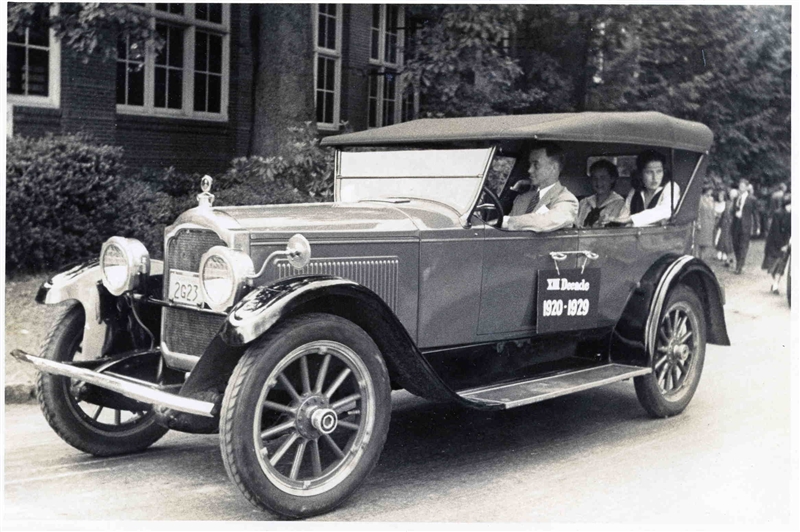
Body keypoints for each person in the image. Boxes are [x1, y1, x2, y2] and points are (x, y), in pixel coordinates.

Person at [502, 142, 578, 232]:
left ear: (553, 168)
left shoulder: (567, 200)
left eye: (536, 165)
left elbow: (545, 222)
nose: (529, 170)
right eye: (529, 164)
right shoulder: (522, 199)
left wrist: (506, 221)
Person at [612, 150, 681, 227]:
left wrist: (630, 220)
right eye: (649, 172)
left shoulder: (671, 187)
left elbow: (666, 210)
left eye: (659, 172)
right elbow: (622, 217)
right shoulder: (635, 191)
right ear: (640, 174)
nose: (655, 178)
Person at [576, 160, 626, 228]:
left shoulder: (620, 204)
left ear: (612, 179)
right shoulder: (584, 203)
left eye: (603, 178)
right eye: (594, 178)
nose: (598, 182)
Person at [762, 194, 791, 293]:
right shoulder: (778, 213)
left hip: (785, 243)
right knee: (772, 266)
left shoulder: (793, 214)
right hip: (774, 243)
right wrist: (781, 245)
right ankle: (775, 282)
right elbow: (775, 231)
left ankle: (775, 285)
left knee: (781, 265)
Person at [731, 178, 757, 274]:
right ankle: (739, 262)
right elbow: (733, 210)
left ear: (746, 187)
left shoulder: (752, 199)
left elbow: (755, 213)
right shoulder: (736, 198)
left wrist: (756, 227)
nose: (740, 188)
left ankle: (739, 266)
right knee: (735, 244)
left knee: (743, 245)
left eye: (742, 186)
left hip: (746, 224)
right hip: (736, 223)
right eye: (739, 186)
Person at [716, 188, 738, 267]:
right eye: (731, 194)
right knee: (723, 238)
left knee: (730, 240)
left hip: (732, 224)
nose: (732, 196)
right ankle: (722, 253)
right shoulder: (727, 203)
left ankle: (728, 255)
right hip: (725, 223)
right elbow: (723, 213)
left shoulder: (737, 203)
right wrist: (720, 223)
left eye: (734, 195)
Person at [696, 186, 716, 260]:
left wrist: (713, 223)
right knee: (700, 242)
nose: (710, 192)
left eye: (711, 191)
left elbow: (713, 212)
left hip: (709, 223)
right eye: (709, 191)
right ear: (706, 190)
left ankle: (703, 258)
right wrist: (698, 223)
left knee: (706, 243)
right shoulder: (700, 199)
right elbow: (697, 212)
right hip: (702, 223)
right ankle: (698, 258)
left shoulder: (712, 199)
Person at [713, 189, 727, 259]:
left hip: (723, 222)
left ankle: (723, 251)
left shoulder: (726, 204)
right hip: (715, 221)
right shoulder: (715, 203)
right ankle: (718, 251)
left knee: (723, 236)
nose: (720, 197)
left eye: (722, 196)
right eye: (719, 196)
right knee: (716, 237)